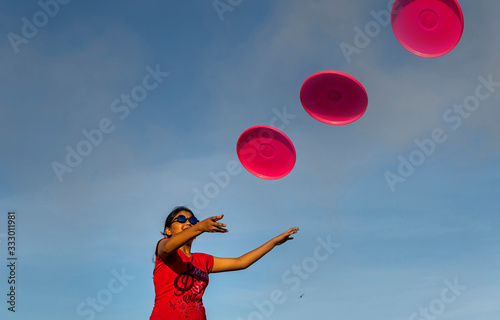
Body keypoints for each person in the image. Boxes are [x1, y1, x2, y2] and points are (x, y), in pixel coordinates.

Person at [149, 206, 299, 320]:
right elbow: (168, 247)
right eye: (181, 219)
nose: (188, 222)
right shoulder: (164, 248)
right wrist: (200, 226)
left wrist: (273, 242)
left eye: (193, 220)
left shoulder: (203, 260)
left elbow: (241, 262)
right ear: (168, 230)